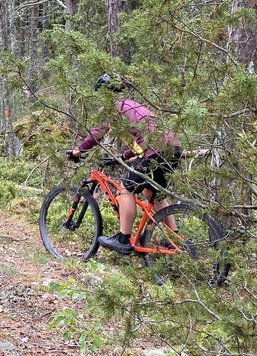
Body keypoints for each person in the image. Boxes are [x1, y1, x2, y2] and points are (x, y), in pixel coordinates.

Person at [67, 73, 182, 255]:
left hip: (154, 151)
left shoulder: (111, 107)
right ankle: (174, 239)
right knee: (151, 192)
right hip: (173, 149)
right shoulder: (131, 104)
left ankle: (123, 239)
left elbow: (97, 133)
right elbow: (140, 137)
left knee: (126, 189)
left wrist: (78, 151)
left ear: (104, 92)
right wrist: (123, 156)